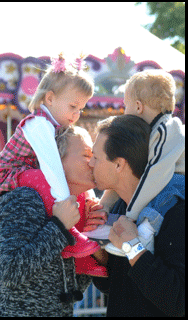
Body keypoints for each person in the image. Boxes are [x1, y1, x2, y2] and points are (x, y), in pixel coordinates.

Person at [0, 53, 104, 274]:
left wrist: (90, 199)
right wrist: (65, 211)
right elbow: (52, 167)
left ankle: (82, 260)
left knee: (65, 187)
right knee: (47, 180)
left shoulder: (52, 126)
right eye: (72, 106)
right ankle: (72, 237)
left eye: (81, 109)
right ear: (49, 98)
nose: (76, 114)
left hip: (25, 174)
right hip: (9, 176)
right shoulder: (39, 124)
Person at [0, 126, 107, 317]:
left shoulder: (79, 206)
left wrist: (96, 246)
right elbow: (8, 271)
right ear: (55, 159)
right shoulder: (25, 198)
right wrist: (59, 227)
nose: (92, 163)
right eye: (85, 155)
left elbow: (70, 288)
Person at [89, 115, 185, 317]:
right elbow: (119, 287)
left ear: (119, 165)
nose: (90, 163)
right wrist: (98, 254)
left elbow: (179, 300)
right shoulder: (119, 208)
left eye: (96, 157)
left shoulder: (175, 211)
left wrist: (133, 247)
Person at [86, 69, 185, 256]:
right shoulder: (152, 130)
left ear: (138, 107)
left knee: (160, 198)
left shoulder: (164, 129)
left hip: (178, 181)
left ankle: (144, 234)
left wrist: (131, 216)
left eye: (126, 106)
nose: (124, 112)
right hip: (169, 177)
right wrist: (105, 204)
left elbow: (152, 175)